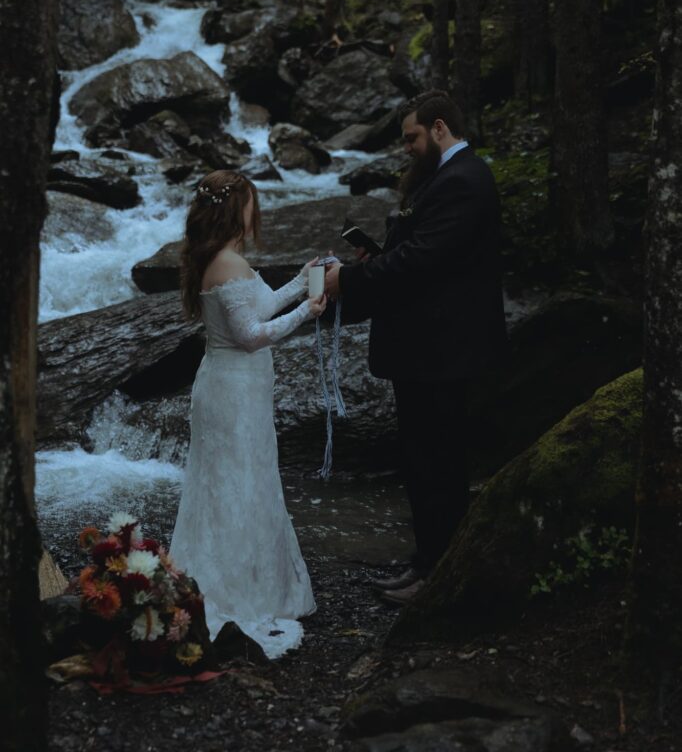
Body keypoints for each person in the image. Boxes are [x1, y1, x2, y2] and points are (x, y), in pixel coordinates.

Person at [325, 89, 507, 604]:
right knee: (423, 458)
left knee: (439, 463)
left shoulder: (465, 181)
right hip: (429, 348)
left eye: (411, 137)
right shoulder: (447, 179)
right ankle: (426, 559)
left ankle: (438, 573)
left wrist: (350, 281)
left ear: (440, 128)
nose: (406, 147)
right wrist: (376, 255)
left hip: (443, 351)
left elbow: (424, 261)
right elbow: (424, 256)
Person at [169, 169, 327, 657]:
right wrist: (309, 312)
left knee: (248, 481)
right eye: (251, 203)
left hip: (239, 389)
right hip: (231, 392)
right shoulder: (227, 264)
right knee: (233, 485)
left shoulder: (226, 261)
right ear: (235, 207)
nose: (256, 212)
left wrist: (302, 282)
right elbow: (251, 335)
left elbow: (259, 307)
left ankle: (255, 580)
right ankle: (235, 591)